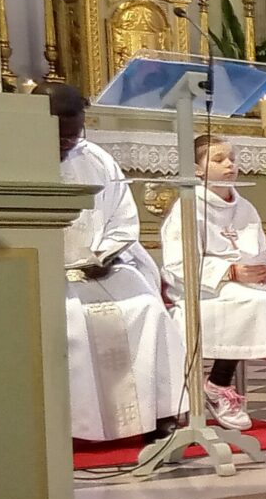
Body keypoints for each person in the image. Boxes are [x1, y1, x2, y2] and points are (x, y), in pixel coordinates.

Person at [53, 84, 185, 442]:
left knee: (148, 308)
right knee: (71, 319)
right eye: (60, 135)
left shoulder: (97, 159)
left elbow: (123, 218)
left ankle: (160, 411)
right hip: (46, 271)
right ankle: (75, 426)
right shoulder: (16, 157)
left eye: (74, 134)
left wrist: (106, 253)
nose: (68, 142)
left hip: (98, 266)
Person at [162, 134, 266, 431]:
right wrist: (230, 272)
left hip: (247, 283)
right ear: (197, 169)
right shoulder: (187, 207)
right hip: (206, 287)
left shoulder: (246, 208)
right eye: (218, 159)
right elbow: (177, 263)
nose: (229, 164)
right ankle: (218, 385)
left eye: (232, 158)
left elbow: (259, 249)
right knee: (248, 303)